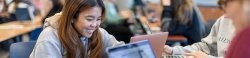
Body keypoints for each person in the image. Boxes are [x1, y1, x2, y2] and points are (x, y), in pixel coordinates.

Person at [30, 0, 124, 58]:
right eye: (89, 19)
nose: (95, 25)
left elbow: (123, 52)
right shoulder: (49, 37)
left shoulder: (99, 33)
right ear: (72, 17)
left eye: (98, 19)